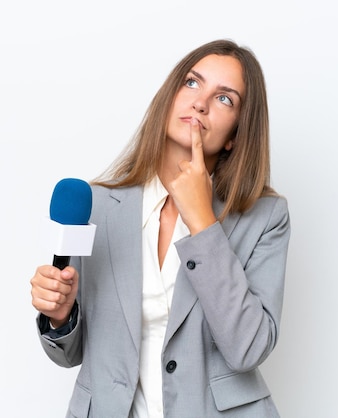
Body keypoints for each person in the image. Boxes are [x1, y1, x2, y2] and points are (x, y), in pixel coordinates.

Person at [30, 38, 291, 418]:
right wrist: (60, 315)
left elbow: (248, 348)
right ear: (169, 97)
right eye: (191, 82)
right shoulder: (99, 206)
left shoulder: (266, 217)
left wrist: (202, 222)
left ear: (236, 133)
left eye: (224, 98)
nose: (200, 102)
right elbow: (72, 353)